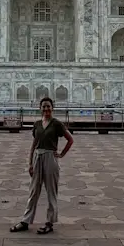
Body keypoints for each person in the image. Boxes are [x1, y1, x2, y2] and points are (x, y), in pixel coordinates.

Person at [10, 96, 74, 235]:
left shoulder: (57, 123)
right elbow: (34, 144)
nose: (46, 109)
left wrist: (61, 154)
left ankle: (50, 222)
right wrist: (30, 163)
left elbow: (70, 139)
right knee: (34, 190)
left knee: (51, 191)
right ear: (40, 108)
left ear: (52, 108)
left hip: (50, 157)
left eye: (48, 106)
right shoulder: (37, 124)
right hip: (37, 157)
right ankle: (26, 221)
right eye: (43, 106)